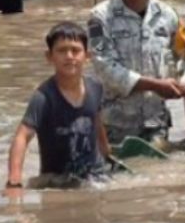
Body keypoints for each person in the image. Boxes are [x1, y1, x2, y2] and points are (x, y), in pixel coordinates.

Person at [87, 0, 183, 145]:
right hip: (115, 126)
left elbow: (179, 58)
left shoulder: (169, 15)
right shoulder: (98, 17)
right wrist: (155, 85)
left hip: (157, 123)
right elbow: (104, 67)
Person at [6, 22, 114, 193]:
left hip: (96, 177)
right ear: (49, 57)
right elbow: (22, 136)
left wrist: (107, 152)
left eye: (75, 50)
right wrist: (14, 181)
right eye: (62, 51)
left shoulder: (95, 87)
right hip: (56, 182)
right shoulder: (43, 97)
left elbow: (96, 120)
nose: (69, 56)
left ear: (87, 56)